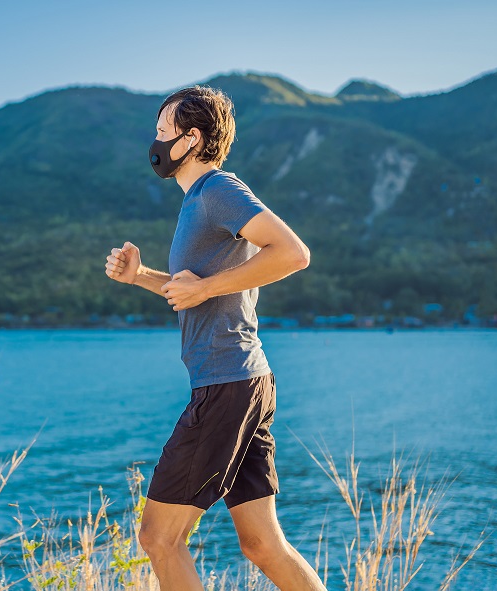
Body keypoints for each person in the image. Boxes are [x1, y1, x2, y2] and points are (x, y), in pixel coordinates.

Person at [104, 86, 325, 591]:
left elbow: (293, 253)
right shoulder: (196, 205)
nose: (155, 141)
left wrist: (204, 285)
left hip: (227, 385)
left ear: (192, 138)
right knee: (262, 544)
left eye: (163, 131)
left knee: (158, 538)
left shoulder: (218, 190)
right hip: (246, 381)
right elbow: (194, 292)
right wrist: (140, 276)